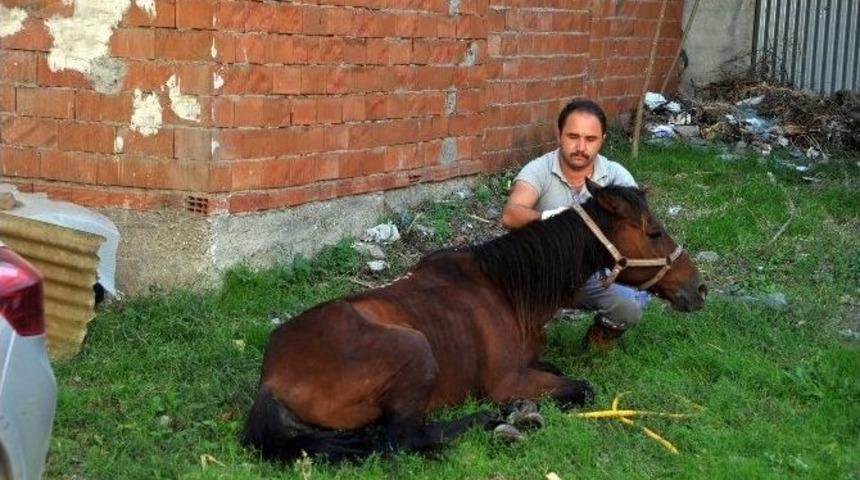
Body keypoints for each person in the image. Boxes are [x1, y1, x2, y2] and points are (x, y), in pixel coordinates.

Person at [501, 98, 649, 350]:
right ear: (559, 134)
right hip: (543, 270)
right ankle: (530, 326)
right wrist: (553, 217)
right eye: (573, 136)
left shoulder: (616, 176)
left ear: (602, 138)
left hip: (594, 273)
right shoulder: (539, 169)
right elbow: (510, 215)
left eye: (590, 139)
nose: (580, 147)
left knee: (630, 303)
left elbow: (639, 229)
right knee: (514, 342)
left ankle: (599, 339)